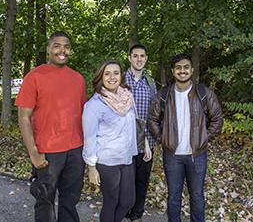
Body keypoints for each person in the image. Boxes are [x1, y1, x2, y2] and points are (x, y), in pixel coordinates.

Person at [15, 31, 86, 222]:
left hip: (75, 151)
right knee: (45, 201)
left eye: (66, 46)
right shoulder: (34, 76)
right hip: (47, 152)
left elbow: (82, 115)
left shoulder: (78, 79)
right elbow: (23, 117)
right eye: (57, 45)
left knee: (70, 202)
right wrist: (33, 153)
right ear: (48, 49)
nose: (62, 50)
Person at [147, 53, 223, 222]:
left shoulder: (204, 93)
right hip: (172, 155)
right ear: (173, 71)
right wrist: (161, 138)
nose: (182, 71)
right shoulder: (163, 94)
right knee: (174, 196)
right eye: (178, 68)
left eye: (186, 67)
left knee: (196, 196)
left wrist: (205, 137)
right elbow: (152, 119)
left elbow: (217, 118)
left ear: (192, 70)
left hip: (197, 155)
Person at [82, 60, 138, 222]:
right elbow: (89, 138)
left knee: (128, 201)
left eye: (116, 73)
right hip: (107, 161)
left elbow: (134, 125)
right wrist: (91, 167)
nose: (112, 77)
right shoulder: (94, 105)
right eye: (107, 73)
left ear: (121, 75)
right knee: (111, 201)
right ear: (101, 77)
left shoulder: (127, 97)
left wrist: (144, 144)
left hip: (126, 158)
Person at [124, 44, 157, 222]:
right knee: (125, 180)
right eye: (135, 56)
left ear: (146, 58)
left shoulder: (150, 83)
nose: (139, 59)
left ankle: (137, 214)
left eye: (142, 56)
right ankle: (124, 210)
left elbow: (154, 113)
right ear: (129, 58)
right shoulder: (120, 79)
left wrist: (155, 138)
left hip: (147, 143)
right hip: (125, 141)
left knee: (142, 181)